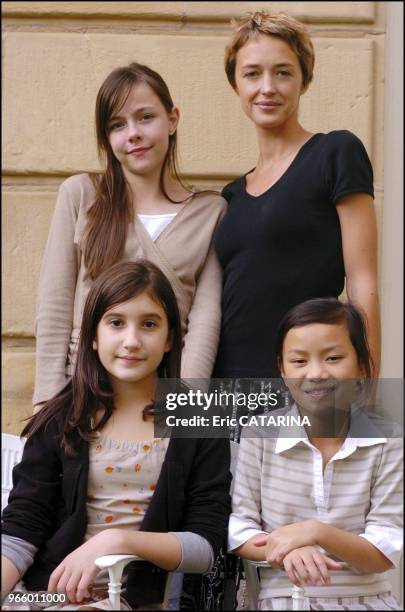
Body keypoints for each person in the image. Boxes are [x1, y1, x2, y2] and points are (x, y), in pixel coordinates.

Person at [2, 260, 231, 610]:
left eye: (149, 324)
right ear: (93, 336)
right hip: (47, 596)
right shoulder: (59, 420)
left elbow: (206, 548)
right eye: (116, 323)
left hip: (131, 600)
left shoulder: (196, 422)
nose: (132, 340)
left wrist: (116, 540)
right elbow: (23, 526)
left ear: (170, 338)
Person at [34, 62, 226, 411]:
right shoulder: (80, 195)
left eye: (145, 117)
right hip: (83, 397)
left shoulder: (211, 210)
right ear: (107, 139)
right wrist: (46, 406)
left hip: (163, 400)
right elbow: (54, 305)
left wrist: (186, 405)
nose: (133, 134)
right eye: (117, 125)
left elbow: (206, 319)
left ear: (172, 120)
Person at [214, 11, 380, 379]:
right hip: (222, 391)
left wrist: (366, 388)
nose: (267, 87)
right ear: (236, 84)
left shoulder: (335, 153)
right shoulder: (231, 196)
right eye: (252, 73)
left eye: (283, 72)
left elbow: (362, 280)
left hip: (303, 386)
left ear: (304, 81)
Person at [228, 297, 402, 610]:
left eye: (333, 358)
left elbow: (383, 551)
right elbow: (240, 531)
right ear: (281, 369)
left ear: (361, 365)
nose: (317, 372)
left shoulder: (388, 439)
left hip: (367, 602)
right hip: (282, 602)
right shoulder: (260, 433)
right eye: (299, 361)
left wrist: (315, 533)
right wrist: (286, 550)